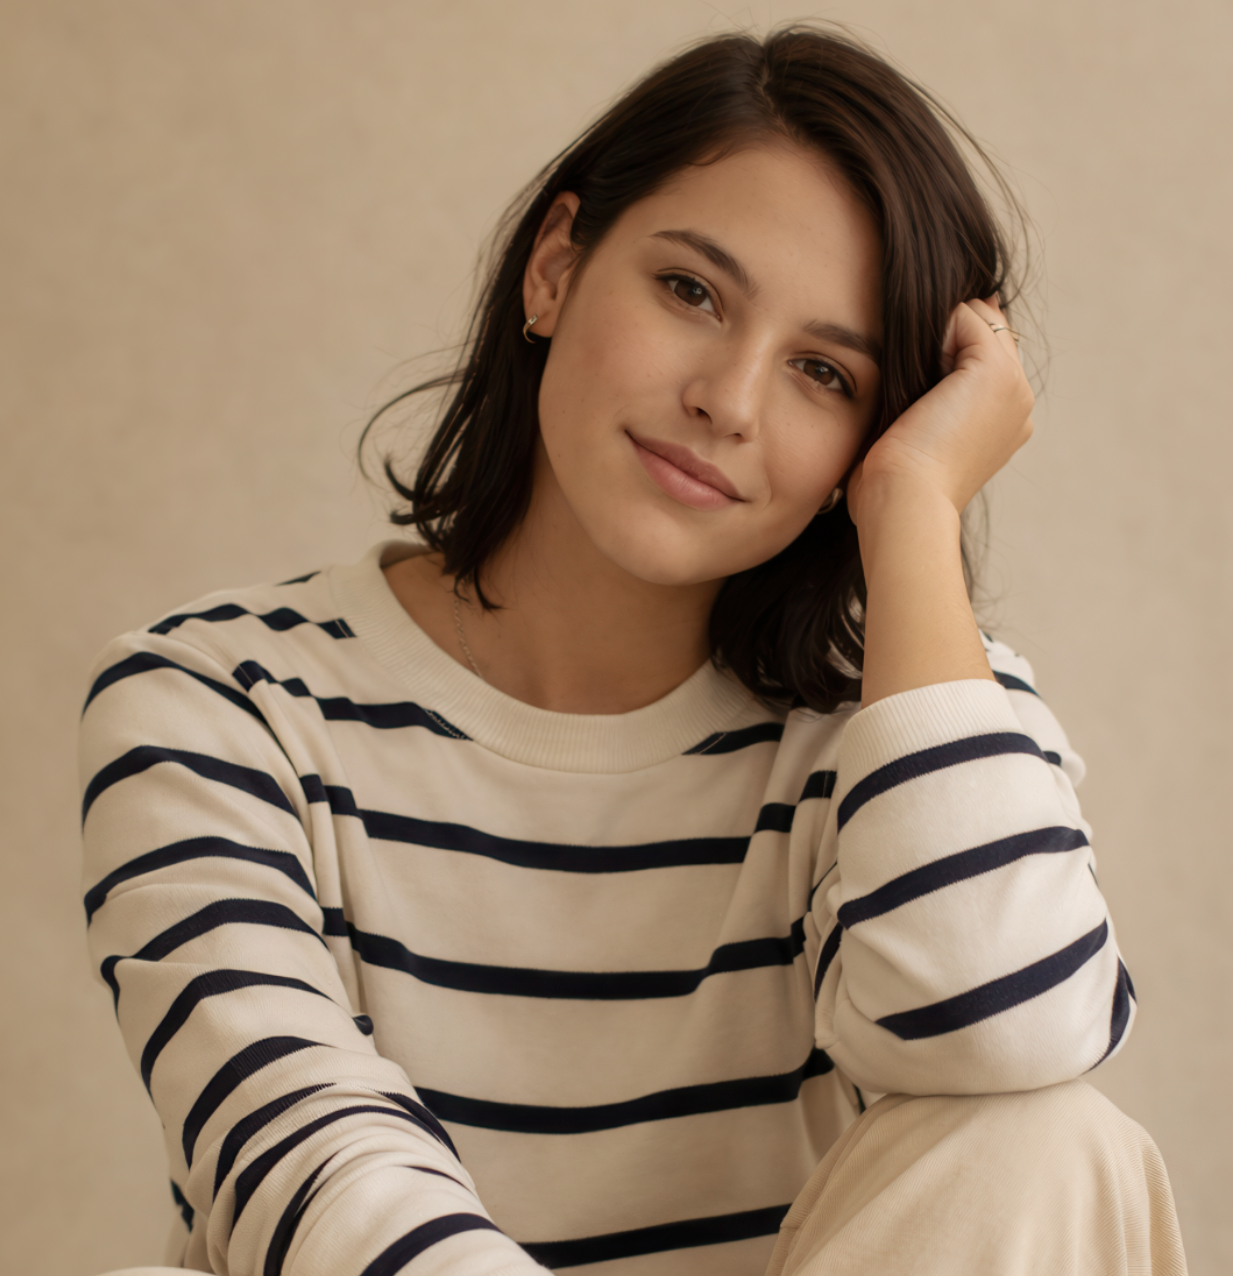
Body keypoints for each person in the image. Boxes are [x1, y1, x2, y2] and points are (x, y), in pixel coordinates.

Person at [79, 25, 1187, 1276]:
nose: (729, 398)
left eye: (823, 372)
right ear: (554, 266)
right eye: (691, 292)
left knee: (1047, 1139)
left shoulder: (911, 729)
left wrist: (915, 508)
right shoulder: (221, 702)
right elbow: (312, 1177)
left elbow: (1004, 1029)